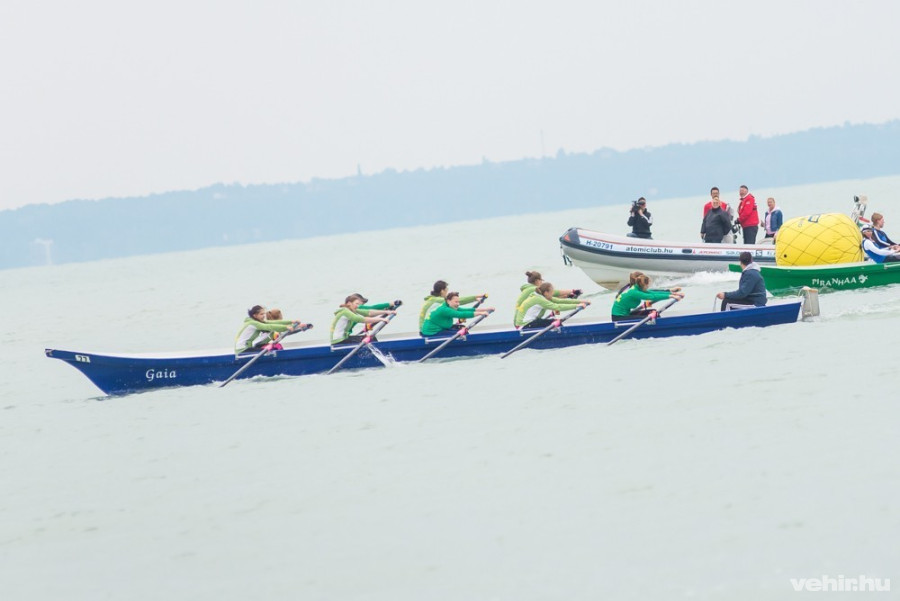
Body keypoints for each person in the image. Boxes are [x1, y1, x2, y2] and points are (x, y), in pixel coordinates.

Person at [234, 305, 306, 354]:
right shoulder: (253, 323)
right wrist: (286, 327)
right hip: (242, 350)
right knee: (271, 350)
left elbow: (275, 322)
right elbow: (269, 326)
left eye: (264, 314)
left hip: (249, 348)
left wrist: (291, 322)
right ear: (255, 315)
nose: (263, 316)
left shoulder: (257, 322)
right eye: (261, 314)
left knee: (272, 349)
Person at [514, 282, 590, 328]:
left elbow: (559, 301)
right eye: (551, 292)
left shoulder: (540, 296)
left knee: (554, 321)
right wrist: (576, 306)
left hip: (527, 323)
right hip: (524, 325)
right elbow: (557, 307)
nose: (553, 294)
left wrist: (581, 301)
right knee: (555, 322)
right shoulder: (539, 299)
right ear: (546, 292)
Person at [419, 280, 485, 332]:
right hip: (428, 330)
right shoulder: (438, 300)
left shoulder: (431, 299)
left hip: (431, 326)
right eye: (446, 290)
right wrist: (475, 297)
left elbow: (457, 307)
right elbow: (458, 301)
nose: (447, 293)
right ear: (442, 291)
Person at [611, 274, 683, 321]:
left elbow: (652, 292)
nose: (648, 286)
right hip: (618, 317)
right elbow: (652, 296)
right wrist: (671, 296)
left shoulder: (636, 288)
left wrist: (671, 292)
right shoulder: (634, 292)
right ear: (644, 285)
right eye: (648, 285)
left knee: (653, 312)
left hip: (625, 314)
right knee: (650, 318)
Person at [421, 292, 494, 336]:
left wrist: (486, 309)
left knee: (462, 328)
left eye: (458, 302)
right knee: (463, 333)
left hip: (440, 328)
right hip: (431, 333)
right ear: (448, 301)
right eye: (456, 302)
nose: (458, 304)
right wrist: (481, 313)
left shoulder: (448, 305)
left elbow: (465, 310)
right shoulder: (445, 310)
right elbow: (461, 315)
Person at [330, 294, 395, 345]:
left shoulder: (352, 309)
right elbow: (360, 319)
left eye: (359, 305)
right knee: (370, 339)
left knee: (370, 338)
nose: (358, 306)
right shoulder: (345, 311)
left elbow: (369, 313)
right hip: (338, 341)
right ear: (349, 303)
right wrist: (381, 319)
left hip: (344, 338)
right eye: (357, 304)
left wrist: (386, 312)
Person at [514, 271, 581, 318]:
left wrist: (567, 296)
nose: (542, 283)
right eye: (541, 280)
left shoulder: (529, 289)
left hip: (524, 317)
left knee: (551, 301)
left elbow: (551, 296)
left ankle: (556, 316)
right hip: (524, 320)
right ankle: (556, 318)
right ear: (537, 281)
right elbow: (554, 293)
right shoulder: (533, 289)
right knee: (553, 304)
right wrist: (573, 291)